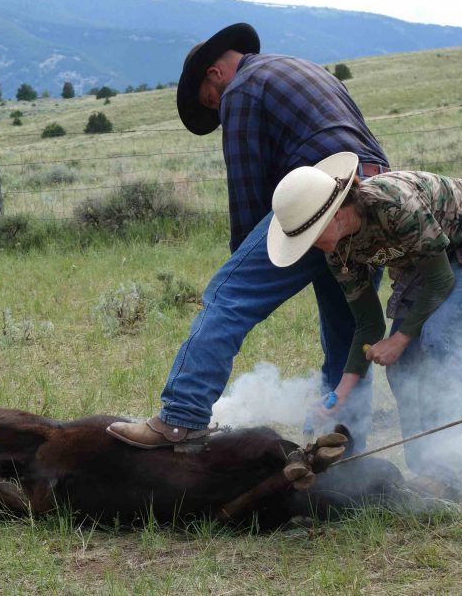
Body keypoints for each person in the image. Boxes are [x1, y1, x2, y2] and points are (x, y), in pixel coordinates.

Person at [107, 23, 389, 452]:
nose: (218, 109)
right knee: (347, 327)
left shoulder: (241, 90)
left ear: (215, 75)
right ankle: (345, 448)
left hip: (322, 196)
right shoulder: (305, 68)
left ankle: (180, 418)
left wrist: (245, 263)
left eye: (209, 101)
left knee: (228, 295)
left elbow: (248, 191)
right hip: (376, 197)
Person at [267, 151, 462, 499]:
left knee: (438, 339)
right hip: (432, 258)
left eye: (311, 234)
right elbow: (369, 324)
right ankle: (425, 474)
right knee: (402, 363)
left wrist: (400, 337)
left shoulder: (393, 205)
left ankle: (446, 477)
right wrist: (337, 397)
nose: (310, 245)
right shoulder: (336, 252)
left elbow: (440, 282)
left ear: (337, 213)